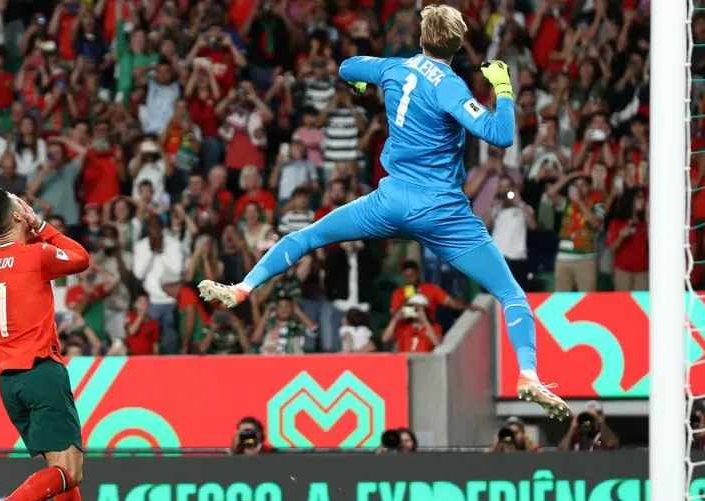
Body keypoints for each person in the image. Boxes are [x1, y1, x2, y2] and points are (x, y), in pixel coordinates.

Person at [197, 5, 571, 421]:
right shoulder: (450, 86)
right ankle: (528, 374)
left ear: (422, 38)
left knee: (305, 237)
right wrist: (502, 88)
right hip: (442, 213)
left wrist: (360, 82)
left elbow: (346, 66)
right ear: (458, 44)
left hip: (390, 203)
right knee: (510, 294)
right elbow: (500, 134)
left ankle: (242, 288)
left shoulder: (394, 68)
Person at [0, 188, 100, 501]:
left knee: (58, 472)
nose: (27, 211)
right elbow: (81, 258)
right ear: (15, 218)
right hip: (41, 371)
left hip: (9, 381)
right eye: (21, 208)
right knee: (71, 471)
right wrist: (42, 226)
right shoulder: (35, 254)